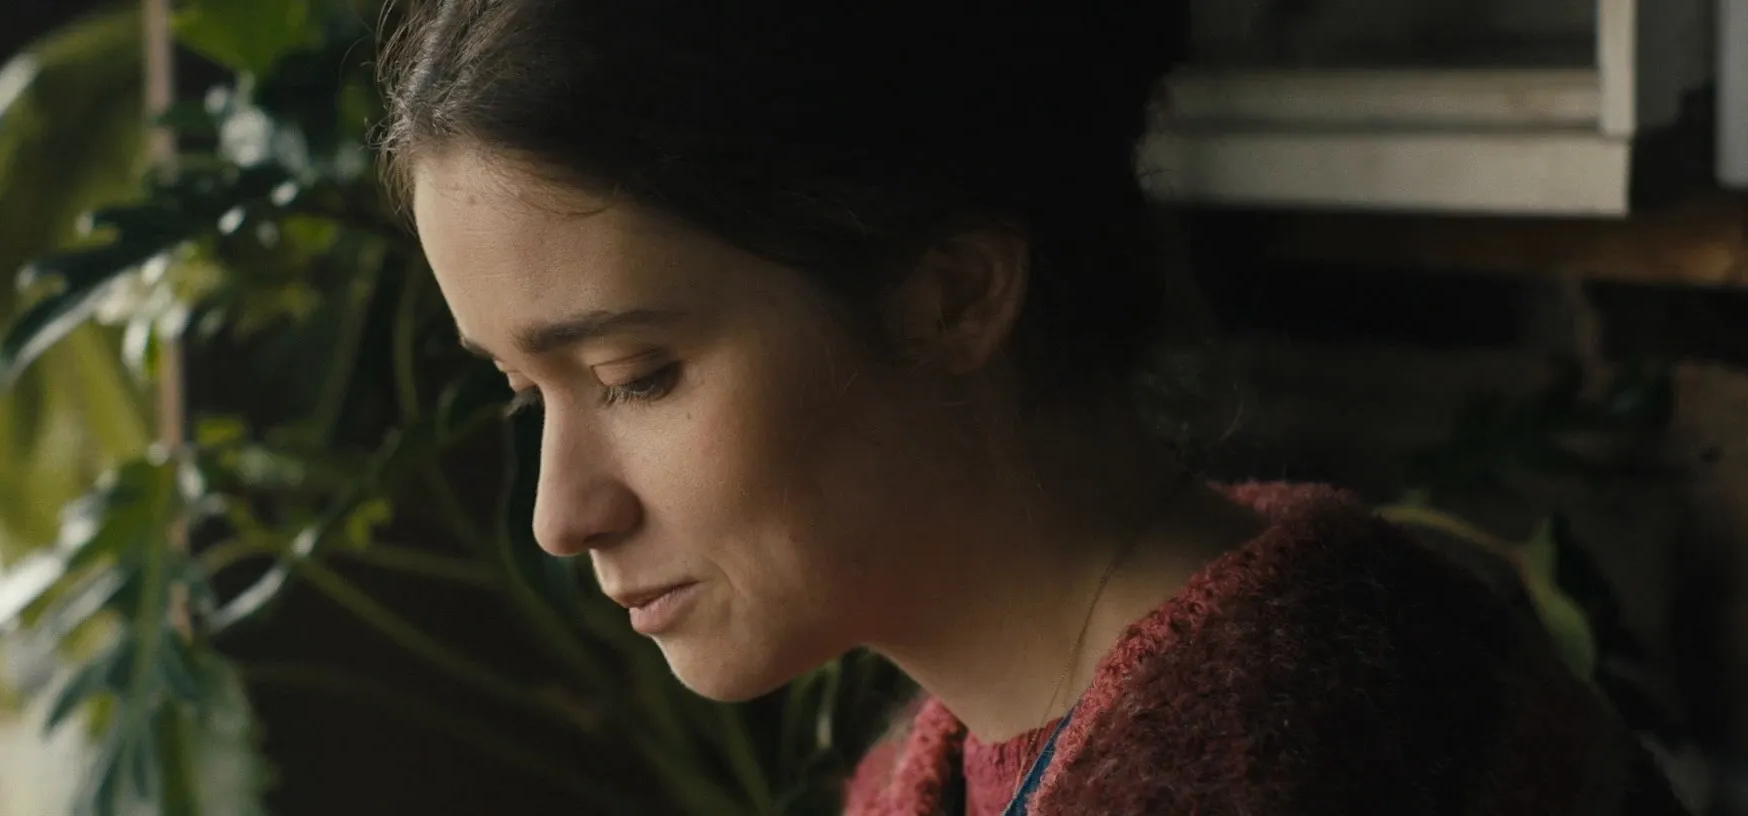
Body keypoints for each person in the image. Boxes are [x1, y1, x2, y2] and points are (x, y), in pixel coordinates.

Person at [378, 1, 1687, 813]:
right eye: (525, 393)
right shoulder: (999, 748)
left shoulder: (1288, 757)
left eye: (633, 375)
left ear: (951, 296)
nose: (561, 514)